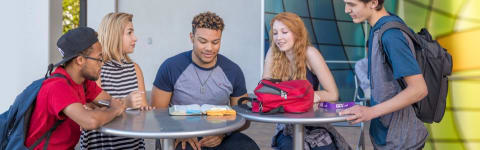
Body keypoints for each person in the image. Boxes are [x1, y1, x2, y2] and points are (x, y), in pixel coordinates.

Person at [151, 11, 259, 150]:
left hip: (218, 135)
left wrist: (223, 134)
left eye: (215, 42)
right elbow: (157, 114)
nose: (209, 48)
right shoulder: (171, 67)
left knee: (249, 147)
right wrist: (180, 133)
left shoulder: (233, 71)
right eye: (202, 41)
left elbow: (243, 118)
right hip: (181, 135)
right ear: (192, 37)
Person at [340, 0, 429, 149]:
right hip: (388, 137)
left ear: (373, 3)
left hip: (401, 141)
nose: (346, 10)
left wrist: (370, 112)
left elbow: (419, 89)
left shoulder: (391, 36)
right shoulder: (379, 28)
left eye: (352, 4)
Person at [24, 27, 129, 150]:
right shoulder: (57, 86)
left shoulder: (83, 82)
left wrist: (94, 108)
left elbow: (109, 101)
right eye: (99, 58)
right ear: (80, 60)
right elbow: (91, 121)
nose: (102, 63)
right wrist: (113, 111)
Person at [264, 12, 350, 150]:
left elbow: (333, 94)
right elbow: (266, 91)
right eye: (275, 33)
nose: (278, 38)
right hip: (286, 125)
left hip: (315, 123)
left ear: (297, 33)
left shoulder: (310, 53)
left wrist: (301, 97)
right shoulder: (272, 54)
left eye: (284, 32)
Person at [80, 12, 153, 150]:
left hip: (132, 145)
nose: (135, 38)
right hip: (102, 145)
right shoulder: (98, 69)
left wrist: (145, 108)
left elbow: (142, 110)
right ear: (114, 36)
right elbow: (93, 110)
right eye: (129, 33)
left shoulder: (135, 69)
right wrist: (126, 103)